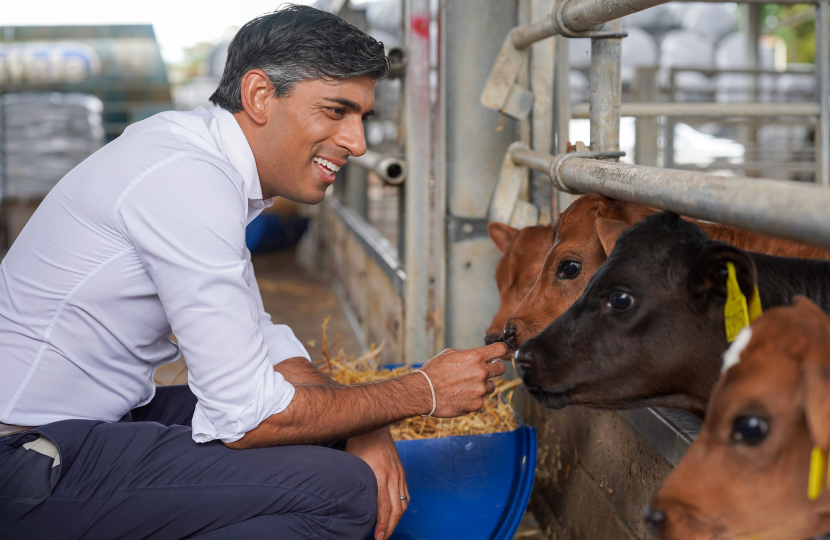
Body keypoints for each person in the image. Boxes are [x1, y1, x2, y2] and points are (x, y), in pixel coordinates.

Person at [0, 5, 508, 540]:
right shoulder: (188, 179)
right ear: (260, 95)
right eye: (336, 111)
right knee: (341, 493)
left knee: (325, 434)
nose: (357, 143)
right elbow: (249, 417)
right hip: (23, 461)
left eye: (363, 117)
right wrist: (419, 392)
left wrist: (368, 422)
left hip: (77, 427)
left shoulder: (198, 156)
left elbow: (257, 338)